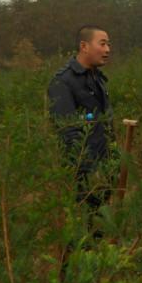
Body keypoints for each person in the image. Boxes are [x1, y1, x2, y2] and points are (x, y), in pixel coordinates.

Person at [47, 25, 114, 207]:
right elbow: (67, 129)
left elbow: (103, 124)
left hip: (104, 167)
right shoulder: (63, 82)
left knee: (100, 224)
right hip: (83, 175)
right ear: (84, 46)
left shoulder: (97, 78)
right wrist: (89, 170)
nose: (107, 49)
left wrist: (113, 161)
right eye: (102, 44)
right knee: (85, 222)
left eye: (108, 44)